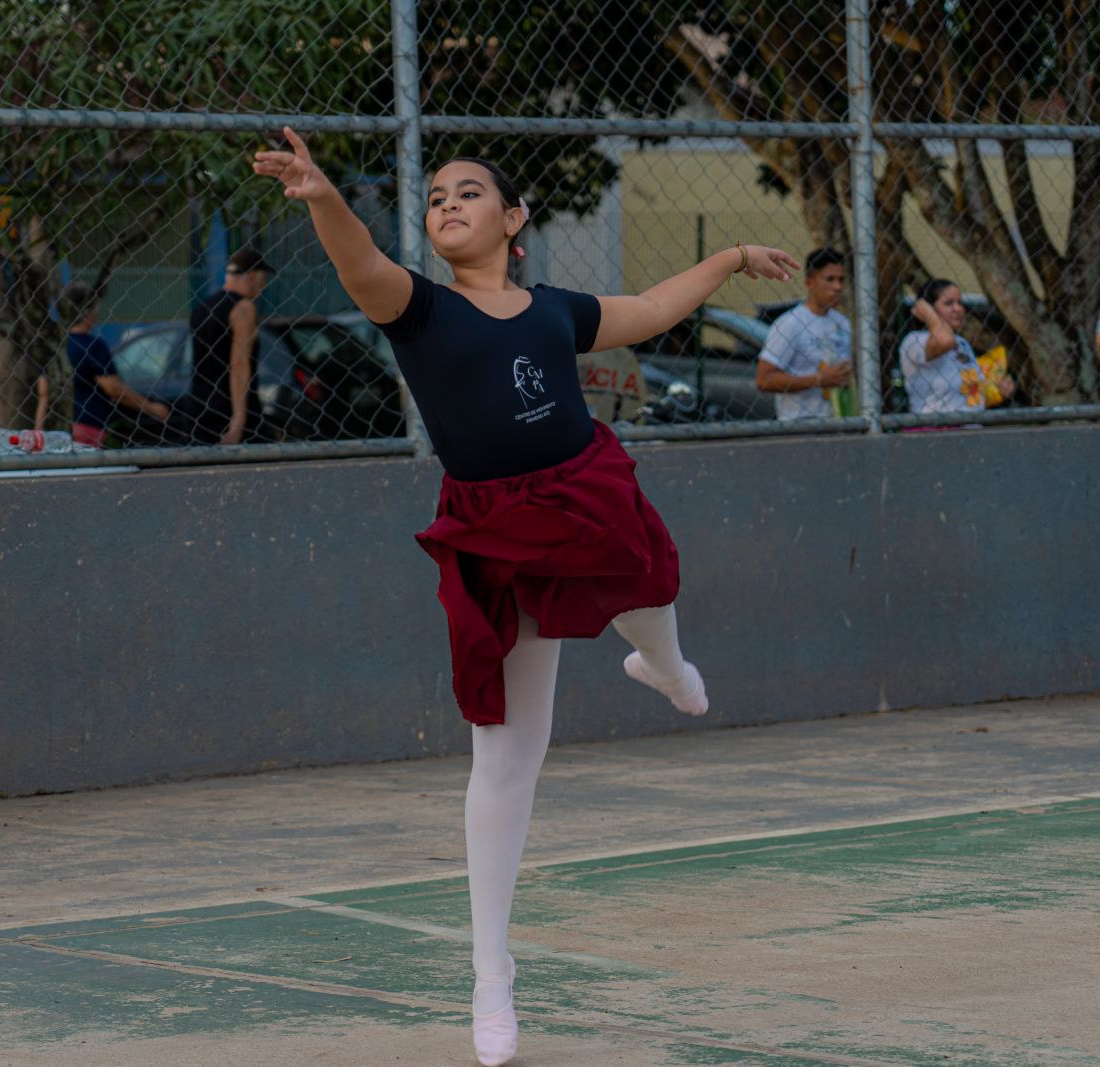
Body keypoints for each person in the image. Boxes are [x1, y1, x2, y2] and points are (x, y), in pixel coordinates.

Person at [252, 128, 798, 1067]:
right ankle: (491, 972)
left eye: (469, 192)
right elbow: (359, 261)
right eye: (434, 199)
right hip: (494, 531)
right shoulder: (417, 308)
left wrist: (734, 256)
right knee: (507, 757)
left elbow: (655, 306)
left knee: (656, 600)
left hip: (585, 491)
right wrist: (321, 196)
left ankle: (664, 668)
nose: (448, 205)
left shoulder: (557, 310)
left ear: (515, 219)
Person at [60, 281, 170, 447]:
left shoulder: (58, 345)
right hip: (88, 424)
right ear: (88, 310)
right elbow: (114, 389)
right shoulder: (93, 346)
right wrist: (152, 408)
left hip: (60, 424)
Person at [755, 247, 853, 419]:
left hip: (838, 423)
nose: (837, 287)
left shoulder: (842, 323)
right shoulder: (790, 324)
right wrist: (818, 380)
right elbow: (764, 380)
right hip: (800, 423)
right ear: (810, 282)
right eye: (829, 279)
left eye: (841, 280)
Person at [187, 248, 272, 445]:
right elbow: (239, 364)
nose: (263, 285)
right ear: (251, 276)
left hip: (199, 404)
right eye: (262, 278)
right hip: (230, 407)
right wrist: (239, 419)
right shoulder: (244, 307)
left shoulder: (202, 307)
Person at [899, 279, 1016, 415]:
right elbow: (944, 341)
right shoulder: (915, 340)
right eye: (949, 303)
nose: (958, 309)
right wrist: (929, 316)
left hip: (970, 427)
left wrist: (996, 391)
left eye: (959, 302)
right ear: (928, 308)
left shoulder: (961, 343)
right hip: (935, 429)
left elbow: (965, 396)